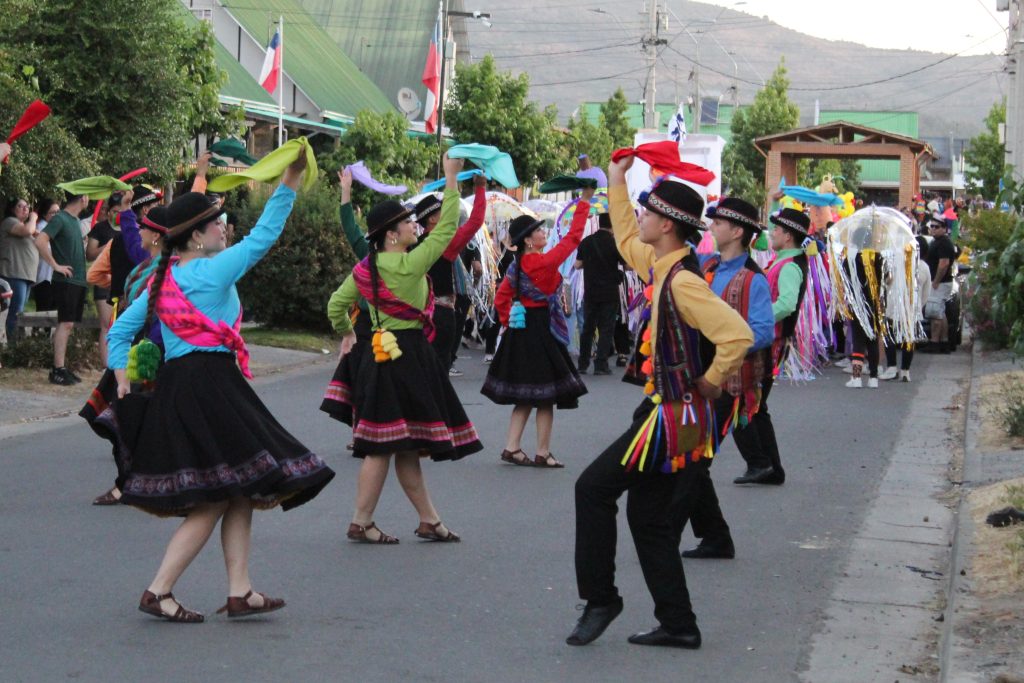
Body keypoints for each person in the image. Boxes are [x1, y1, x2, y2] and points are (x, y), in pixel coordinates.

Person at [105, 150, 333, 622]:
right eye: (217, 223)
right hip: (213, 386)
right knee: (215, 497)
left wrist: (123, 377)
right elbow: (265, 235)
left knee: (240, 486)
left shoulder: (161, 282)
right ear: (196, 236)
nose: (224, 228)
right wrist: (288, 182)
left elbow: (120, 333)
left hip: (183, 388)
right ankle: (159, 589)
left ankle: (239, 590)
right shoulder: (214, 269)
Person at [568, 160, 752, 649]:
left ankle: (601, 598)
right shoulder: (662, 264)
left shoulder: (684, 282)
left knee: (593, 489)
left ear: (667, 223)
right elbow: (627, 232)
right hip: (671, 415)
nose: (641, 218)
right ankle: (678, 623)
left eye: (649, 211)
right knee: (647, 518)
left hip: (670, 417)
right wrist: (616, 178)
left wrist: (712, 382)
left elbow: (737, 334)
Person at [326, 153, 482, 545]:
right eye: (408, 221)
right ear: (392, 234)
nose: (415, 225)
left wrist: (348, 332)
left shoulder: (366, 269)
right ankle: (361, 521)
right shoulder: (412, 265)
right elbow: (447, 227)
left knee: (403, 444)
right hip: (410, 356)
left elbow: (335, 306)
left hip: (379, 357)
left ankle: (428, 519)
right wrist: (449, 179)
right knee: (384, 446)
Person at [680, 197, 774, 560]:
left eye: (718, 222)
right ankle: (715, 536)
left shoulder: (753, 279)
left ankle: (696, 534)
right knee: (692, 460)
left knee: (694, 461)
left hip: (727, 384)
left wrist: (722, 336)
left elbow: (763, 332)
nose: (712, 227)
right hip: (698, 379)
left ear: (737, 231)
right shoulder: (706, 266)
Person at [482, 188, 593, 468]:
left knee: (526, 395)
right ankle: (542, 452)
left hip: (521, 332)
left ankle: (512, 446)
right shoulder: (544, 262)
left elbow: (501, 298)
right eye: (539, 231)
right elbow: (573, 238)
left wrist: (512, 319)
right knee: (545, 396)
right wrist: (584, 203)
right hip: (542, 330)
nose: (544, 234)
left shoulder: (515, 267)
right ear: (529, 241)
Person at [748, 207, 810, 484]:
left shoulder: (790, 265)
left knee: (754, 406)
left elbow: (786, 303)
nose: (771, 234)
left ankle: (766, 465)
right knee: (757, 407)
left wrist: (757, 319)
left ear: (787, 236)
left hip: (768, 341)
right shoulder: (782, 261)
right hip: (766, 339)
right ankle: (768, 467)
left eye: (775, 230)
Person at [413, 172, 487, 371]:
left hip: (417, 315)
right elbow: (475, 221)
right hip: (441, 314)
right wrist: (480, 188)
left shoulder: (413, 247)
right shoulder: (445, 244)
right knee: (439, 371)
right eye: (441, 212)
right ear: (432, 220)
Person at [34, 190, 89, 385]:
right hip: (65, 281)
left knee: (69, 324)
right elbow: (40, 240)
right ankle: (57, 369)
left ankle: (62, 367)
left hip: (77, 281)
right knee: (65, 323)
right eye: (87, 196)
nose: (88, 199)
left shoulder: (74, 221)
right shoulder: (61, 218)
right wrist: (55, 265)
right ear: (82, 198)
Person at [574, 211, 624, 375]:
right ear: (613, 225)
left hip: (591, 291)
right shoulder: (615, 243)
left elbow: (577, 265)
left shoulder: (587, 242)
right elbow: (629, 266)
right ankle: (601, 364)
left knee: (588, 328)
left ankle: (582, 363)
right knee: (606, 328)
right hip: (609, 292)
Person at [882, 235, 931, 382]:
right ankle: (905, 370)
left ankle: (891, 367)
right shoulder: (924, 267)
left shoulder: (896, 262)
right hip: (912, 307)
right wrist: (918, 306)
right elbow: (926, 292)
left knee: (890, 336)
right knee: (908, 338)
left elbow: (886, 282)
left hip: (893, 305)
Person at [0, 197, 40, 342]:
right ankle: (13, 348)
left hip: (24, 276)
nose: (25, 209)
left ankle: (17, 346)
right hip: (13, 273)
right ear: (12, 209)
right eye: (20, 206)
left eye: (27, 207)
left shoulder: (25, 226)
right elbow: (28, 230)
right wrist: (34, 217)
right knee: (15, 313)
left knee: (19, 312)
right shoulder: (10, 222)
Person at [923, 214, 956, 354]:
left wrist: (935, 281)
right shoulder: (937, 241)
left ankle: (934, 343)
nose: (933, 229)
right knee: (940, 312)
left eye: (936, 227)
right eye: (932, 226)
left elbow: (944, 264)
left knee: (935, 313)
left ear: (944, 228)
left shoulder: (944, 243)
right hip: (940, 282)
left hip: (941, 283)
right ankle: (944, 341)